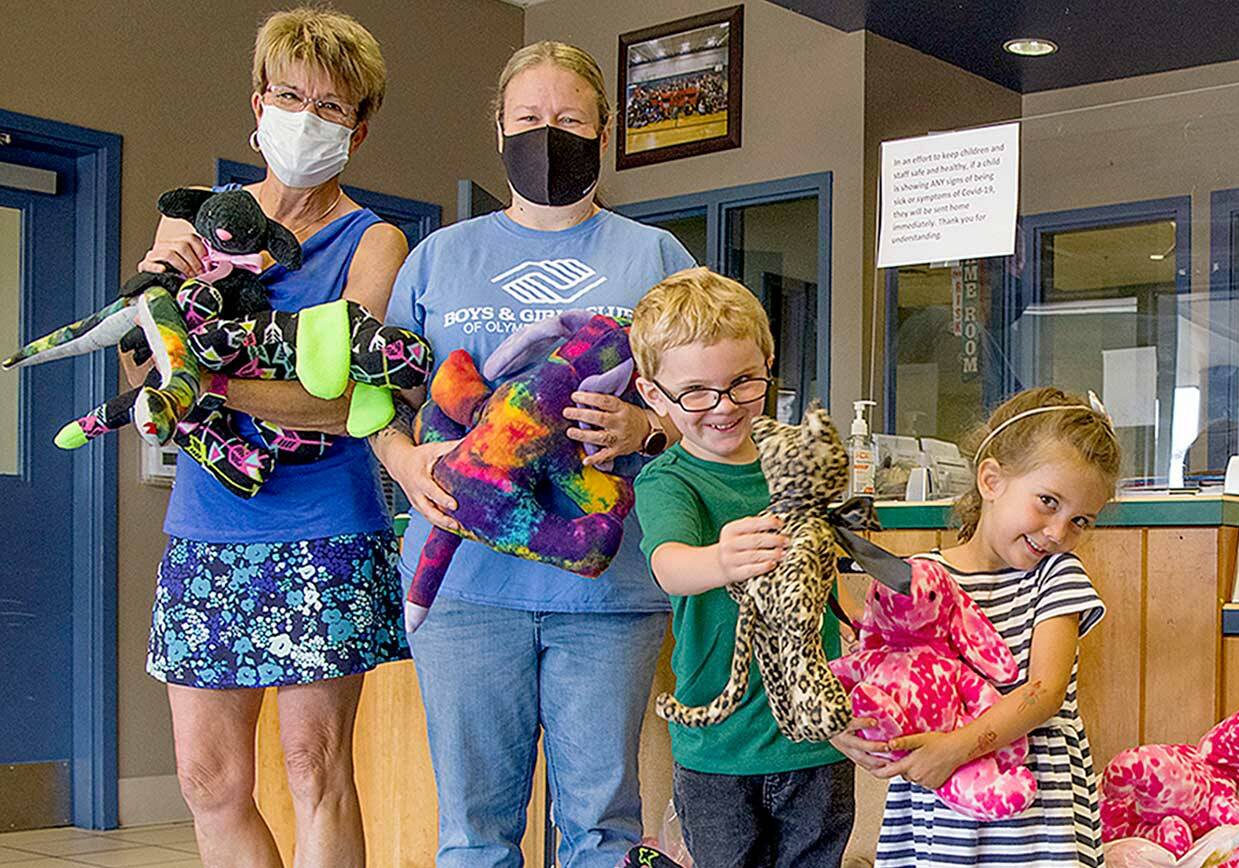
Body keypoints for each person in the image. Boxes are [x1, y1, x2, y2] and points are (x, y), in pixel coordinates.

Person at [373, 41, 694, 868]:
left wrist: (647, 428)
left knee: (602, 830)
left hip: (610, 589)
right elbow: (377, 396)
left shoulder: (656, 258)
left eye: (568, 120)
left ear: (604, 131)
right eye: (528, 119)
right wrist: (407, 463)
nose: (547, 134)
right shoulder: (438, 258)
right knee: (474, 833)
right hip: (465, 587)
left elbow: (707, 397)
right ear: (498, 129)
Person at [133, 8, 409, 867]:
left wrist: (208, 379)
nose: (305, 118)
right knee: (207, 778)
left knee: (312, 768)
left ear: (357, 131)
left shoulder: (374, 241)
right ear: (258, 103)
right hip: (206, 529)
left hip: (324, 527)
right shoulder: (199, 230)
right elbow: (146, 387)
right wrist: (155, 285)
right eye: (290, 95)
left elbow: (350, 404)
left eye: (330, 107)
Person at [629, 267, 856, 868]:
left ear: (768, 364)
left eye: (743, 383)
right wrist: (719, 559)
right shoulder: (668, 479)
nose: (723, 407)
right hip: (717, 749)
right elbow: (670, 566)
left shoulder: (794, 456)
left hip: (814, 740)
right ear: (654, 395)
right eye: (696, 392)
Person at [852, 386, 1121, 867]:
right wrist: (852, 735)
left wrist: (954, 749)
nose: (1059, 532)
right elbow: (869, 668)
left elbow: (1046, 689)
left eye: (1081, 520)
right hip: (938, 811)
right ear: (991, 480)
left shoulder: (1059, 574)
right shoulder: (921, 582)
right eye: (1047, 502)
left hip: (1039, 820)